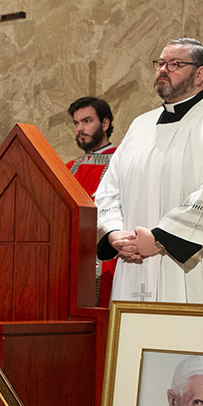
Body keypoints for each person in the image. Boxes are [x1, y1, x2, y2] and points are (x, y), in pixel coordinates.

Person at [95, 38, 203, 306]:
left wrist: (159, 239)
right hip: (135, 270)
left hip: (198, 276)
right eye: (161, 63)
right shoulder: (140, 125)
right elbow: (109, 190)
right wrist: (113, 233)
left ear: (200, 74)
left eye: (175, 64)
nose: (164, 70)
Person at [66, 97, 117, 307]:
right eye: (76, 123)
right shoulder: (68, 168)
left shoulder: (121, 160)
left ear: (104, 124)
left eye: (87, 121)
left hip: (109, 254)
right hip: (73, 256)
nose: (80, 128)